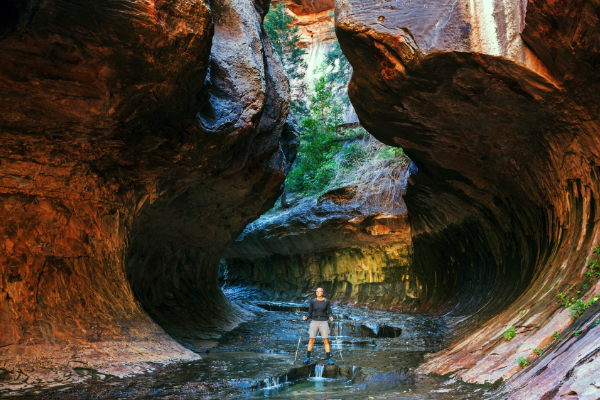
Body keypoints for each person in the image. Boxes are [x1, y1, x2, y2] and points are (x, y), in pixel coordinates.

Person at [302, 287, 334, 365]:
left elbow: (329, 312)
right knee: (311, 339)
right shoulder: (313, 301)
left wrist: (330, 316)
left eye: (320, 291)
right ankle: (307, 358)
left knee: (326, 340)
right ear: (316, 293)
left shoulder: (326, 301)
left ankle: (328, 358)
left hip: (324, 321)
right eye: (317, 291)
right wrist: (306, 317)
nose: (318, 292)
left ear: (322, 292)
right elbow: (309, 312)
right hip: (314, 321)